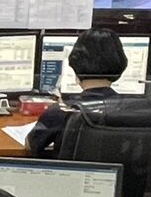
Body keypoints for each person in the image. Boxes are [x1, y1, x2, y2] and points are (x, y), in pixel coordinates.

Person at [27, 28, 128, 158]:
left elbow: (30, 146)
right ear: (120, 65)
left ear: (75, 65)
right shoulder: (134, 110)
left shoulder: (62, 110)